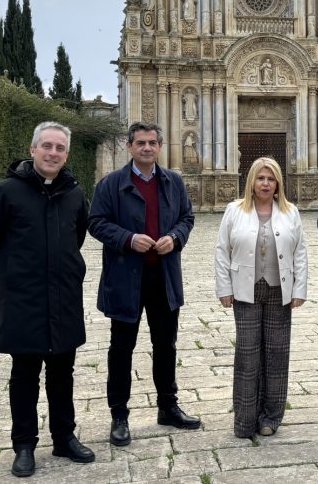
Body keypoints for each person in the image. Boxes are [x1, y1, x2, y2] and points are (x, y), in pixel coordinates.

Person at [0, 122, 95, 477]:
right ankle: (24, 445)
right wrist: (11, 275)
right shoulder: (5, 191)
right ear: (32, 149)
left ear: (66, 155)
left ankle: (64, 438)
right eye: (46, 146)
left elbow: (77, 235)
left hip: (63, 296)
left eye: (59, 148)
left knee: (63, 372)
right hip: (23, 299)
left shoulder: (74, 192)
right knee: (24, 373)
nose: (52, 153)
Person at [88, 122, 200, 447]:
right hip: (126, 278)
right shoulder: (110, 183)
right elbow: (95, 222)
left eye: (152, 142)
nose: (147, 148)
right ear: (129, 145)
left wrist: (175, 238)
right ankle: (119, 416)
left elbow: (187, 218)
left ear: (160, 146)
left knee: (166, 346)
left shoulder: (173, 182)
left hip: (163, 277)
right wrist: (127, 238)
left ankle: (168, 407)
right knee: (122, 349)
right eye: (140, 143)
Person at [214, 157, 308, 438]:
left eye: (270, 178)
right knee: (247, 354)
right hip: (245, 291)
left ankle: (271, 417)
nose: (265, 183)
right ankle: (244, 420)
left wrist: (299, 289)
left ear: (278, 182)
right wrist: (224, 288)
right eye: (260, 178)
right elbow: (222, 251)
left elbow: (300, 253)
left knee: (277, 355)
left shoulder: (290, 212)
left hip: (280, 289)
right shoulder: (234, 211)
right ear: (251, 182)